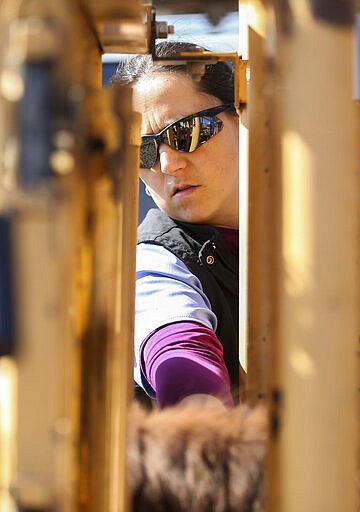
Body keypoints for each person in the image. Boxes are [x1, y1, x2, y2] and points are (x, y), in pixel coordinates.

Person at [111, 42, 239, 408]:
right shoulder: (153, 262)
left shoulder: (325, 219)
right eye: (143, 150)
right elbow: (174, 342)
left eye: (188, 132)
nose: (167, 166)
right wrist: (199, 412)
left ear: (244, 118)